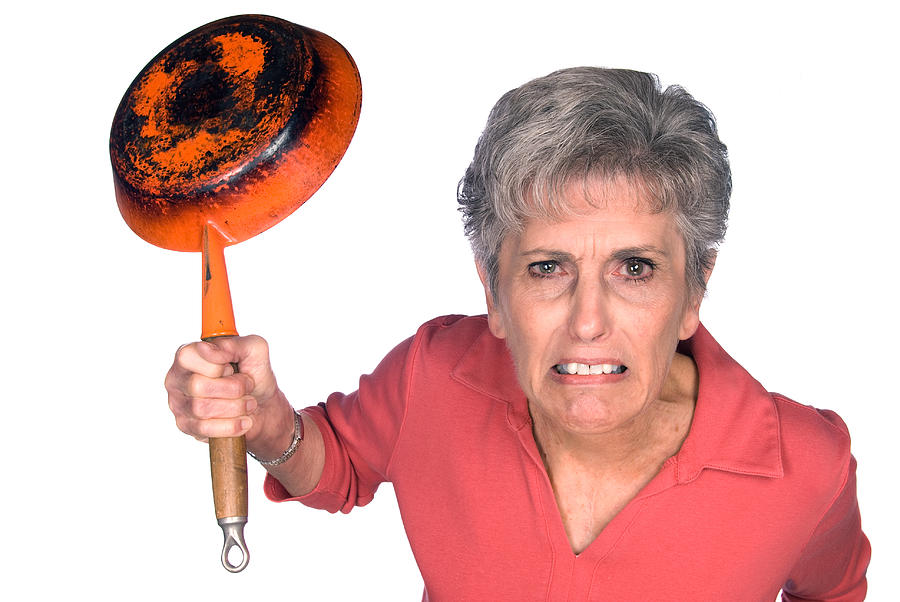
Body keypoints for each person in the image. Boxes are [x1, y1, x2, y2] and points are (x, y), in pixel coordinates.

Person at [166, 67, 870, 599]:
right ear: (492, 290)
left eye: (635, 267)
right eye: (546, 268)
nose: (588, 321)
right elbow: (340, 465)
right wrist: (262, 421)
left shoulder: (808, 466)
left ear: (695, 289)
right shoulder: (433, 374)